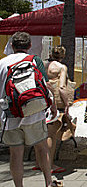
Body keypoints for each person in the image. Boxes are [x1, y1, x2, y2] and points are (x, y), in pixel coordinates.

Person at [0, 32, 58, 187]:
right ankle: (48, 182)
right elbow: (45, 87)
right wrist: (52, 106)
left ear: (12, 46)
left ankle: (19, 186)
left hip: (10, 115)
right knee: (42, 148)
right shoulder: (34, 60)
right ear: (30, 46)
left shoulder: (2, 63)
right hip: (34, 113)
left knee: (16, 154)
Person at [38, 46, 70, 174]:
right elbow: (61, 87)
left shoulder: (43, 65)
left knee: (40, 134)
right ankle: (49, 164)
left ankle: (39, 163)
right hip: (54, 101)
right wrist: (67, 103)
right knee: (51, 134)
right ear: (63, 55)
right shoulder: (61, 67)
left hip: (41, 99)